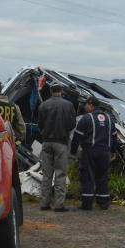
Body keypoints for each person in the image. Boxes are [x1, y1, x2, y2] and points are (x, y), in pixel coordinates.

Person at [71, 96, 118, 210]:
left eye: (86, 105)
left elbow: (77, 137)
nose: (85, 107)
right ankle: (103, 203)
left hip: (90, 152)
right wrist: (113, 151)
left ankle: (87, 204)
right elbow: (114, 137)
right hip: (105, 152)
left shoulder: (86, 118)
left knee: (88, 176)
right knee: (103, 177)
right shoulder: (109, 119)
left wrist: (73, 151)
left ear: (91, 105)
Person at [38, 82, 76, 212]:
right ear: (61, 91)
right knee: (60, 173)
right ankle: (59, 205)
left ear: (50, 91)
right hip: (61, 142)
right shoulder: (68, 105)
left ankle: (44, 203)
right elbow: (72, 124)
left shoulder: (43, 105)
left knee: (46, 174)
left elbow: (40, 124)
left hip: (46, 142)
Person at [0, 77, 26, 143]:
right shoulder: (15, 107)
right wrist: (16, 143)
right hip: (8, 145)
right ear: (0, 89)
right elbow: (22, 130)